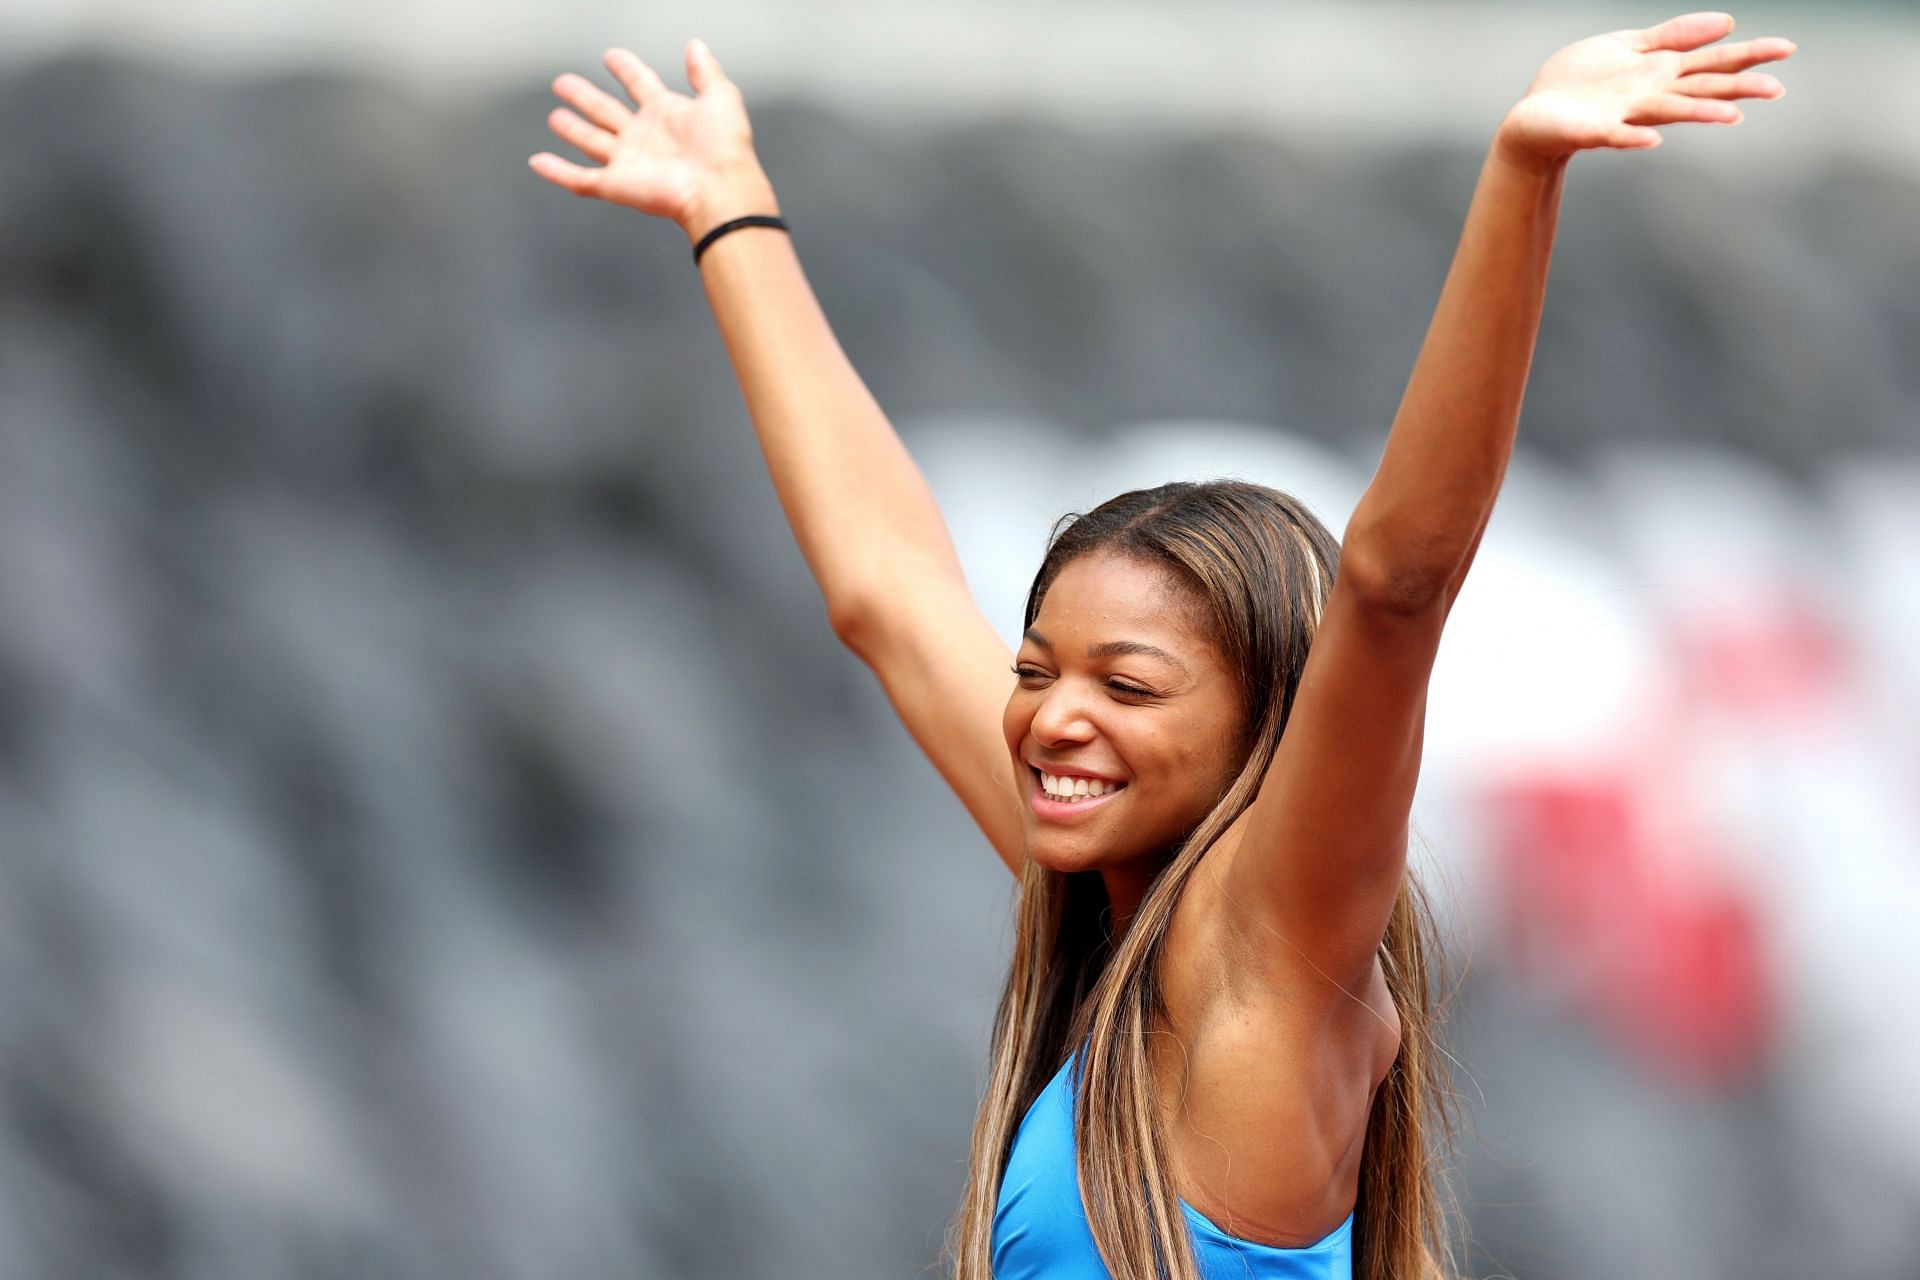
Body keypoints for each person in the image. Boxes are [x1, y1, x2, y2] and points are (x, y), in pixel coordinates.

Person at [530, 13, 1794, 1278]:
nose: (1052, 716)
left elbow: (1395, 584)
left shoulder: (1272, 954)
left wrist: (1522, 174)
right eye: (1036, 670)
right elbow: (887, 592)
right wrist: (730, 212)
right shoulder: (1101, 899)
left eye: (1127, 684)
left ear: (1268, 728)